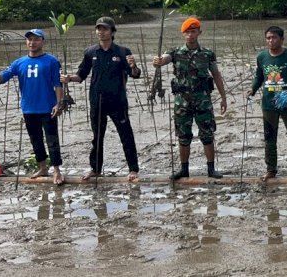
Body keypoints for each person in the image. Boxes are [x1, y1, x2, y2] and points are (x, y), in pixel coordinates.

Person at [61, 17, 142, 182]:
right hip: (97, 101)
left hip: (118, 101)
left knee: (126, 135)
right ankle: (95, 169)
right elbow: (81, 75)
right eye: (98, 28)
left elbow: (136, 75)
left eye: (105, 29)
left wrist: (133, 66)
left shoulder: (122, 52)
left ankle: (133, 169)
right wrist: (69, 78)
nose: (101, 32)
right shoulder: (90, 52)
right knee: (97, 136)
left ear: (112, 32)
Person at [0, 29, 65, 185]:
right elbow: (1, 80)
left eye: (36, 39)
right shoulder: (19, 62)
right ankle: (42, 167)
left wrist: (59, 103)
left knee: (52, 140)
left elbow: (57, 84)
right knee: (35, 140)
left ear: (43, 42)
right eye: (29, 40)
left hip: (48, 107)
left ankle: (56, 170)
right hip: (28, 108)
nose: (32, 42)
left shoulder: (52, 61)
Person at [153, 17, 228, 180]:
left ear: (199, 33)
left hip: (203, 100)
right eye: (187, 32)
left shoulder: (207, 54)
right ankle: (184, 169)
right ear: (183, 34)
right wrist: (158, 61)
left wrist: (223, 97)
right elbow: (164, 59)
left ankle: (211, 169)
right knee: (183, 135)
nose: (190, 35)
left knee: (207, 134)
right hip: (182, 102)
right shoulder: (175, 52)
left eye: (193, 32)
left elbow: (216, 75)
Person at [248, 26, 287, 182]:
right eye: (268, 38)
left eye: (274, 38)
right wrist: (252, 89)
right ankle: (271, 170)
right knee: (269, 138)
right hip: (269, 104)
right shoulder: (262, 57)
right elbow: (259, 77)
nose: (271, 41)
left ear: (282, 39)